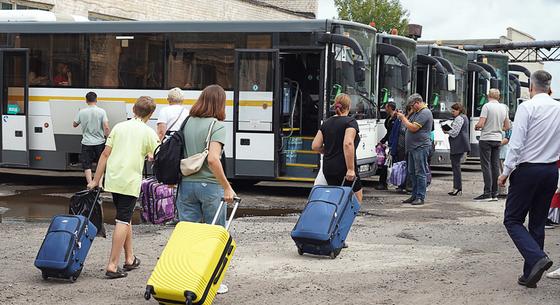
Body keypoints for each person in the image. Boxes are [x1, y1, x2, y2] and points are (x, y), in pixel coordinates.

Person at [498, 70, 560, 288]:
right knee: (537, 222)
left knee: (512, 219)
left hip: (527, 170)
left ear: (531, 88)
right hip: (551, 171)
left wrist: (505, 172)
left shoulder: (527, 107)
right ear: (550, 88)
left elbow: (516, 143)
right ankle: (530, 275)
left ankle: (537, 258)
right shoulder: (559, 108)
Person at [87, 96, 159, 279]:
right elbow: (157, 155)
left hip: (114, 179)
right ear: (150, 114)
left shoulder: (119, 127)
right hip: (129, 181)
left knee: (124, 218)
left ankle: (129, 258)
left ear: (134, 110)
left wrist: (96, 180)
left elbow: (105, 154)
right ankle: (112, 265)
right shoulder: (148, 132)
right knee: (122, 220)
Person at [176, 85, 236, 294]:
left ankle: (187, 278)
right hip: (210, 186)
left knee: (188, 235)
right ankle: (212, 282)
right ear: (220, 103)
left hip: (186, 185)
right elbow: (213, 159)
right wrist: (227, 187)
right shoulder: (217, 125)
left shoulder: (187, 122)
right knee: (214, 236)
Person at [312, 93, 363, 202]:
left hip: (328, 167)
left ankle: (333, 219)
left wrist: (327, 150)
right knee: (355, 201)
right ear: (349, 107)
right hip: (344, 168)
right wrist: (350, 169)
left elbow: (315, 146)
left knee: (335, 200)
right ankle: (343, 220)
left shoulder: (326, 123)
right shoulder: (350, 122)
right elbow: (348, 144)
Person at [397, 94, 433, 205]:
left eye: (412, 105)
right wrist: (407, 114)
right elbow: (408, 123)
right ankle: (414, 194)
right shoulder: (416, 112)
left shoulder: (425, 113)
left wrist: (403, 118)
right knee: (412, 172)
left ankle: (420, 196)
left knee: (420, 172)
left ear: (417, 102)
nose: (411, 108)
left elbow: (413, 128)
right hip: (412, 147)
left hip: (420, 146)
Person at [474, 89, 510, 201]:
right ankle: (495, 193)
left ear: (488, 95)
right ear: (499, 97)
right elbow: (507, 126)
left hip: (486, 138)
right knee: (495, 166)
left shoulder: (487, 106)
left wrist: (477, 126)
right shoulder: (503, 108)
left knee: (486, 165)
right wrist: (498, 128)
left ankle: (487, 192)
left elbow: (481, 123)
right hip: (497, 139)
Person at [73, 92, 110, 184]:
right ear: (96, 100)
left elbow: (74, 124)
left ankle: (90, 184)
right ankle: (100, 184)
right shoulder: (102, 111)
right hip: (99, 142)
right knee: (100, 163)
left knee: (87, 164)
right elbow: (106, 127)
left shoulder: (81, 112)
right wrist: (107, 137)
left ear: (86, 100)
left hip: (86, 142)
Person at [445, 103, 470, 196]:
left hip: (458, 144)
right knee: (456, 166)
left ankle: (457, 187)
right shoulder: (465, 117)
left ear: (459, 110)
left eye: (454, 111)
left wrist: (446, 130)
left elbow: (455, 132)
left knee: (456, 167)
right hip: (461, 144)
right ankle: (457, 187)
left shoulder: (459, 118)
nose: (452, 112)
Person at [375, 102, 397, 190]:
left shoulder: (396, 118)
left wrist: (384, 141)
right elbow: (388, 132)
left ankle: (384, 183)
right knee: (385, 162)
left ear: (390, 108)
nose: (385, 109)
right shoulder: (389, 117)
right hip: (388, 142)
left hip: (392, 143)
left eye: (386, 107)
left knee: (386, 163)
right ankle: (383, 182)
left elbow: (392, 133)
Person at [497, 129, 512, 198]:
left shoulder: (508, 128)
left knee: (503, 172)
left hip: (504, 153)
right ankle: (502, 190)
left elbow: (507, 139)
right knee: (501, 172)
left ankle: (503, 191)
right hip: (502, 153)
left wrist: (496, 144)